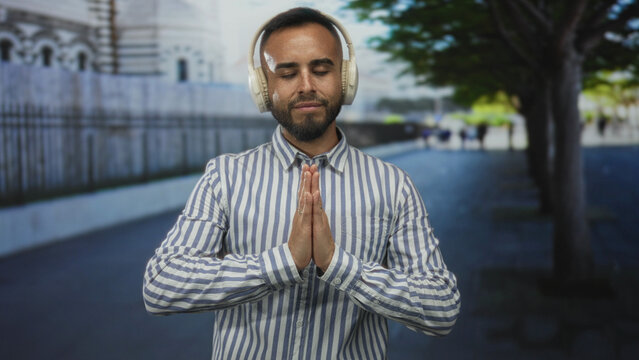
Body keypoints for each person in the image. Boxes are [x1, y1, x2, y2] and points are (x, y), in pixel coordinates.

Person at [143, 7, 460, 359]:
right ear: (263, 87)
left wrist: (339, 265)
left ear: (346, 78)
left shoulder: (393, 185)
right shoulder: (225, 177)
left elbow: (441, 309)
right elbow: (161, 286)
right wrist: (283, 263)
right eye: (287, 73)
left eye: (321, 70)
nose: (307, 86)